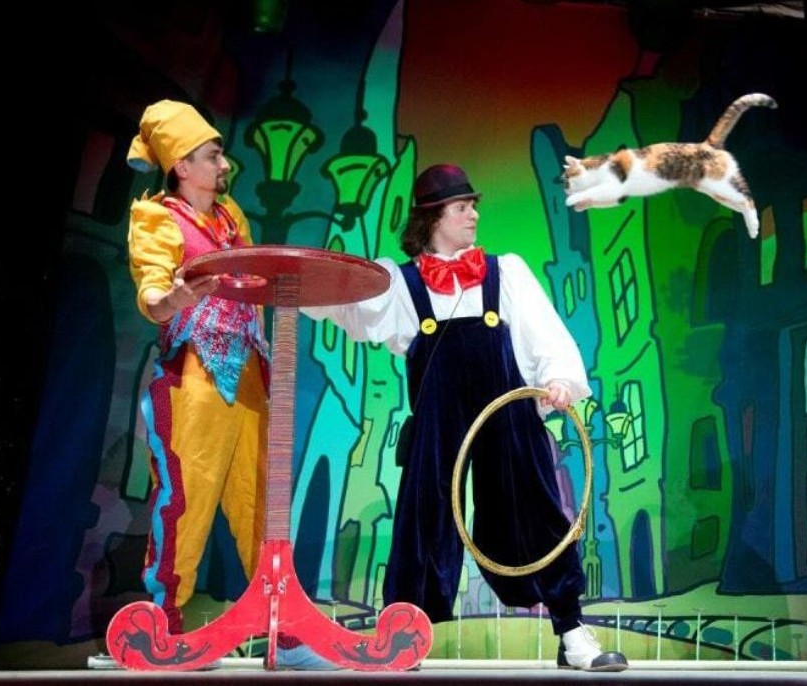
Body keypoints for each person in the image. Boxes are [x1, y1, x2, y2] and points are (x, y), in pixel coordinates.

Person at [304, 163, 628, 672]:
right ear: (434, 218)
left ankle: (572, 632)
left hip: (508, 406)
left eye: (473, 205)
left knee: (537, 508)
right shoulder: (400, 282)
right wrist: (299, 285)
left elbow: (543, 332)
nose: (473, 214)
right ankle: (403, 634)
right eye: (462, 207)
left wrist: (559, 378)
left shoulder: (506, 272)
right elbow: (348, 303)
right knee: (423, 517)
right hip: (439, 418)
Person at [126, 100, 322, 670]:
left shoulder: (231, 215)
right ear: (182, 166)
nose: (224, 164)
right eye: (213, 156)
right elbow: (153, 293)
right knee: (184, 501)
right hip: (194, 376)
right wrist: (173, 298)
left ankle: (285, 633)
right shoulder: (159, 218)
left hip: (250, 375)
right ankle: (163, 630)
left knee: (262, 504)